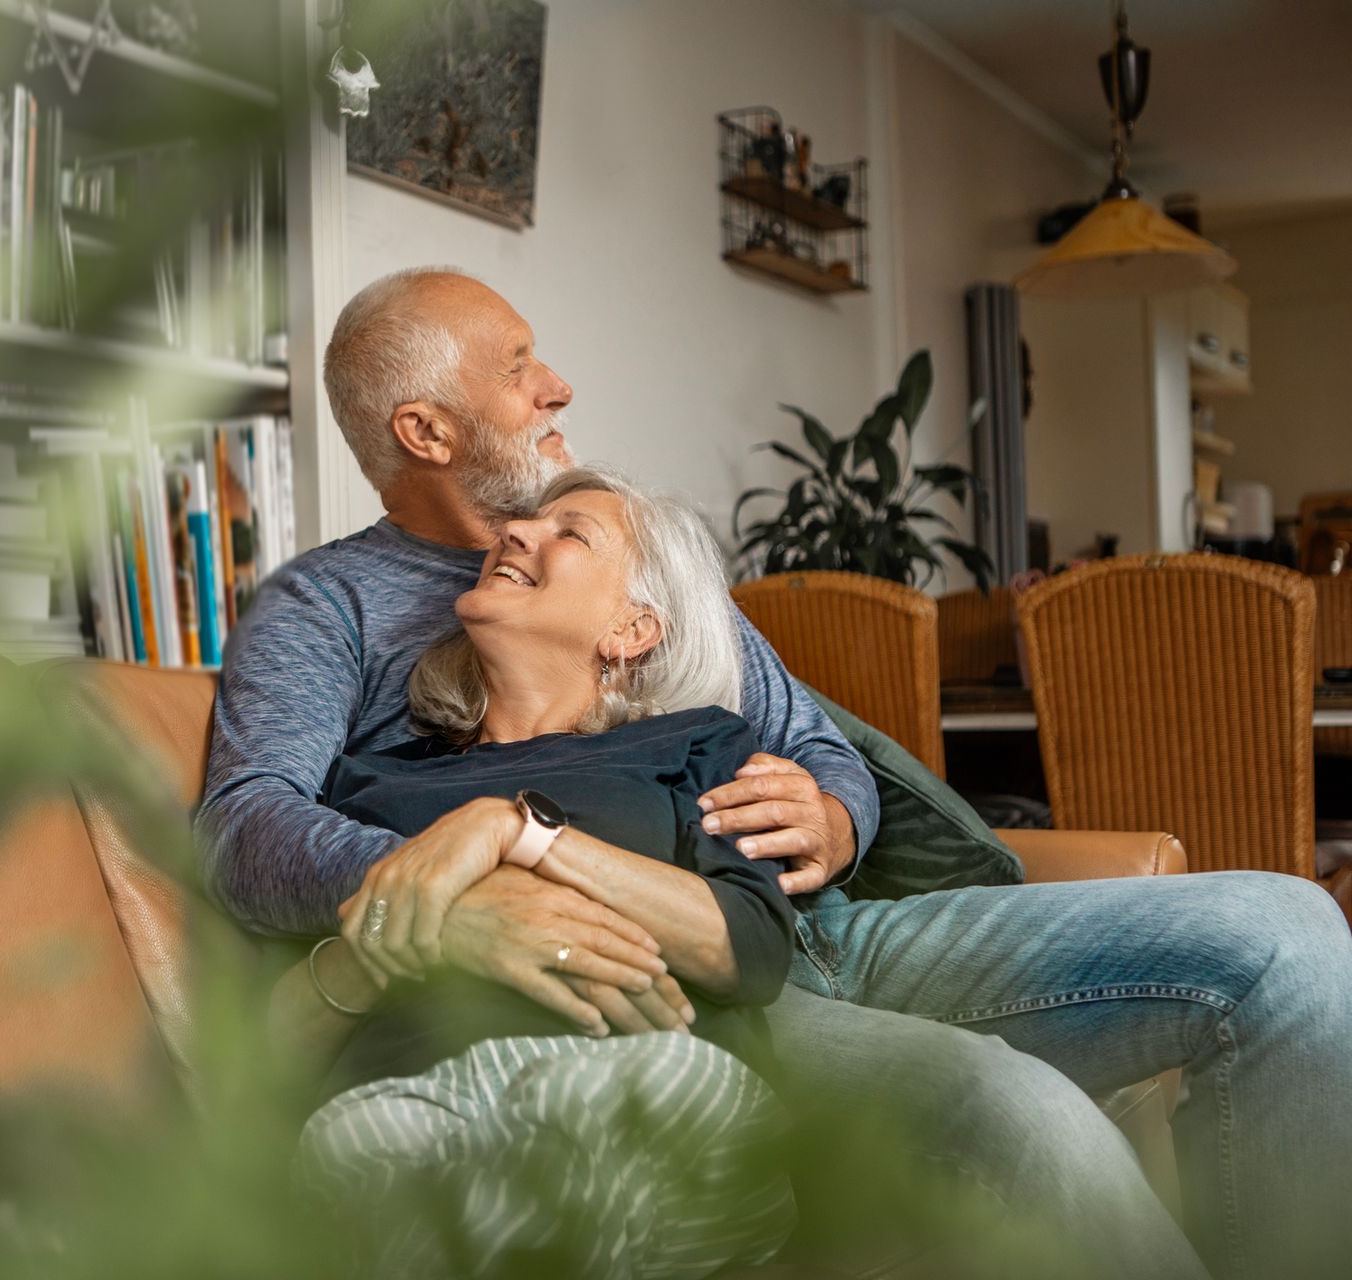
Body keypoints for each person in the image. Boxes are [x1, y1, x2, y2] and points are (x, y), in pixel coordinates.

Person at [202, 267, 1352, 1279]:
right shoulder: (326, 607)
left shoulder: (630, 564)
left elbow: (812, 743)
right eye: (518, 368)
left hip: (828, 926)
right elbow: (247, 826)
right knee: (1008, 1108)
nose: (557, 386)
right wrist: (467, 874)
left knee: (1290, 931)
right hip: (702, 979)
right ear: (427, 431)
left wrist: (837, 814)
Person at [270, 469, 798, 1278]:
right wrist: (410, 929)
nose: (515, 533)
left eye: (570, 532)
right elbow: (272, 1048)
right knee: (361, 1143)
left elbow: (750, 951)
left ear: (632, 627)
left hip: (636, 1074)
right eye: (525, 521)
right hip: (408, 1097)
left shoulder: (694, 744)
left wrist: (516, 831)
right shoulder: (371, 779)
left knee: (595, 1121)